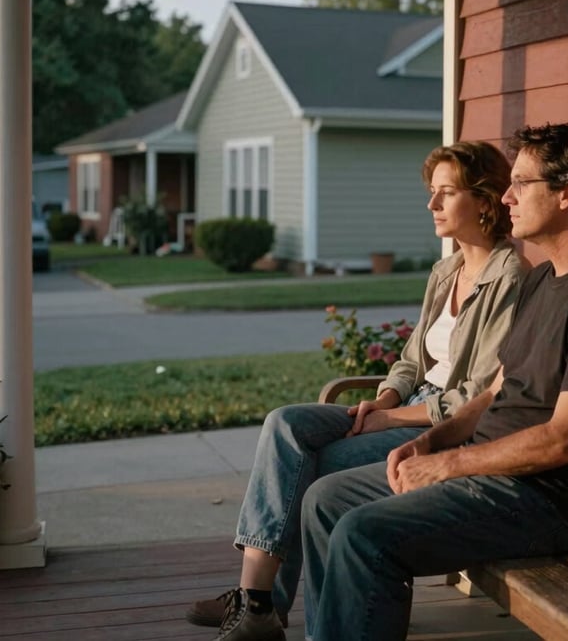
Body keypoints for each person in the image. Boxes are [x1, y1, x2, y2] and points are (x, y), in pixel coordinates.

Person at [286, 122, 568, 641]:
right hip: (491, 473)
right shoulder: (543, 278)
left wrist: (447, 466)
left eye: (522, 184)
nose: (506, 196)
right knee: (325, 499)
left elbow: (565, 440)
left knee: (363, 533)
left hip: (549, 499)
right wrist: (429, 441)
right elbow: (494, 391)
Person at [187, 140, 525, 640]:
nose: (431, 205)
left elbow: (477, 392)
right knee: (286, 423)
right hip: (406, 407)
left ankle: (262, 608)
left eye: (445, 194)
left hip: (439, 428)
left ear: (484, 200)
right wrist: (386, 398)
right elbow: (413, 359)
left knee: (313, 472)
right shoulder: (445, 270)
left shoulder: (510, 277)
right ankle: (256, 598)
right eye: (432, 193)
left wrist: (395, 420)